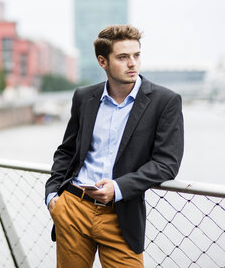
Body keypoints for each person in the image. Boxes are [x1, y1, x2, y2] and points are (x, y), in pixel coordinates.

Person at [45, 24, 184, 267]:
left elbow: (166, 164)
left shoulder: (165, 101)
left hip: (122, 215)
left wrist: (118, 187)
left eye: (136, 55)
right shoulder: (84, 97)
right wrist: (52, 196)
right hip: (73, 209)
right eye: (123, 57)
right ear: (103, 61)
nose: (132, 63)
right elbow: (66, 151)